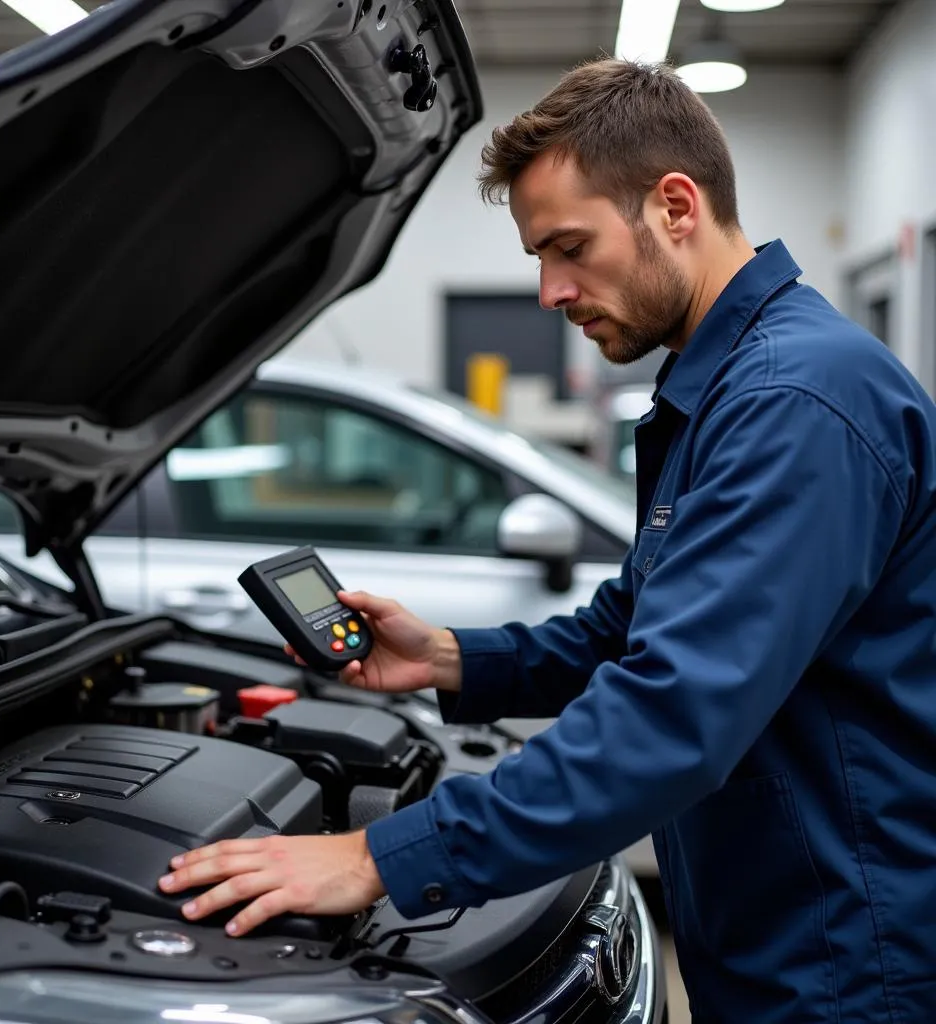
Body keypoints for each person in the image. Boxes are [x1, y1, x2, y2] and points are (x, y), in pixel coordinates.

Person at [157, 58, 936, 1019]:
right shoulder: (727, 386)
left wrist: (378, 858)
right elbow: (632, 627)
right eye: (539, 256)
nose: (549, 292)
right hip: (778, 925)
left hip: (844, 960)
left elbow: (672, 713)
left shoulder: (794, 403)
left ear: (676, 206)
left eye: (569, 246)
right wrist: (447, 658)